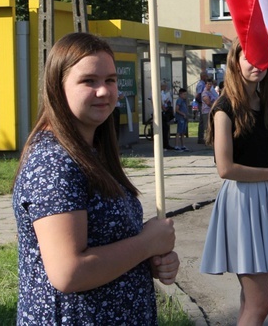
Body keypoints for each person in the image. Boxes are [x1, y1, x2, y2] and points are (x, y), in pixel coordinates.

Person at [12, 32, 179, 325]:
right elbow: (69, 272)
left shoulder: (91, 151)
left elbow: (107, 244)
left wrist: (147, 262)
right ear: (57, 87)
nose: (104, 91)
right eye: (89, 81)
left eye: (110, 80)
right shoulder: (55, 162)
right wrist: (146, 244)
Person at [200, 40, 268, 324]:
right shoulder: (224, 108)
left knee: (250, 299)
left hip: (267, 202)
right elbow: (225, 169)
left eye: (262, 60)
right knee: (260, 302)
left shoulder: (266, 106)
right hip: (241, 202)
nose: (257, 65)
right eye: (250, 59)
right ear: (235, 62)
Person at [200, 78, 218, 145]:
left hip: (212, 111)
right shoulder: (204, 93)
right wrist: (215, 107)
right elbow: (208, 102)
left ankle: (211, 141)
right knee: (207, 127)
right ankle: (207, 142)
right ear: (205, 84)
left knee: (212, 127)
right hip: (207, 112)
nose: (209, 85)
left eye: (210, 84)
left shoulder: (211, 92)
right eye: (208, 84)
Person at [161, 82, 175, 151]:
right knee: (163, 129)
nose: (165, 87)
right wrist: (164, 108)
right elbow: (159, 102)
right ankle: (163, 145)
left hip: (166, 111)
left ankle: (166, 144)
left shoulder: (163, 93)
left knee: (166, 129)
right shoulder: (158, 93)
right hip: (162, 112)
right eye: (164, 86)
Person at [196, 71, 208, 144]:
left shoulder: (203, 83)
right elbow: (198, 95)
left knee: (202, 120)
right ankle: (201, 138)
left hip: (203, 104)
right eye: (206, 76)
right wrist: (202, 102)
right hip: (202, 104)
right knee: (202, 121)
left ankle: (202, 137)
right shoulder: (201, 84)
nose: (207, 77)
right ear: (203, 76)